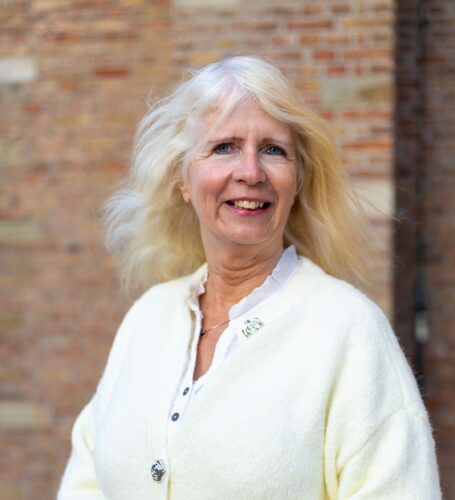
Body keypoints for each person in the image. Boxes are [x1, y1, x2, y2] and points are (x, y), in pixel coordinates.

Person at [58, 56, 441, 499]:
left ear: (297, 181)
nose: (251, 173)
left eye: (273, 150)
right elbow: (85, 482)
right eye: (225, 147)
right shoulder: (147, 317)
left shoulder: (349, 330)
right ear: (183, 178)